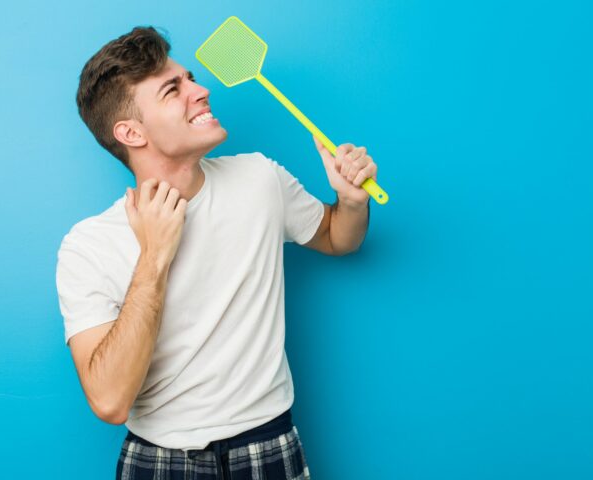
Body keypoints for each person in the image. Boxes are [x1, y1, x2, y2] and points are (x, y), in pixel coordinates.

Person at [56, 25, 377, 480]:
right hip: (159, 459)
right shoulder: (89, 245)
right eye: (173, 89)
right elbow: (109, 402)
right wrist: (154, 255)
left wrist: (351, 201)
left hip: (268, 443)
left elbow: (336, 237)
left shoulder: (259, 179)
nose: (201, 90)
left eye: (189, 78)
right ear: (130, 132)